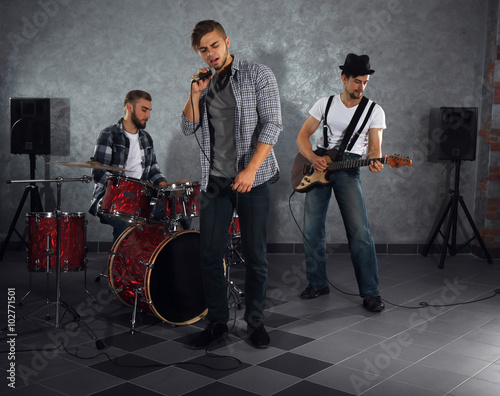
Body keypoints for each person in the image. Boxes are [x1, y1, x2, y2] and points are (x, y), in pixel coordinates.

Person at [181, 20, 282, 348]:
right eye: (203, 49)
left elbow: (273, 124)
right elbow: (187, 127)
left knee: (255, 254)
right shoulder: (204, 82)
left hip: (253, 178)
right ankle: (217, 323)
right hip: (215, 181)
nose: (210, 53)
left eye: (214, 45)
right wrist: (195, 94)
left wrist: (251, 169)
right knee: (210, 253)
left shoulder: (257, 74)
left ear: (227, 41)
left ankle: (255, 321)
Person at [296, 53, 386, 312]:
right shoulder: (324, 104)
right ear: (344, 78)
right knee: (312, 230)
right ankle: (317, 283)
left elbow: (375, 148)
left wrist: (375, 160)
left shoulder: (373, 110)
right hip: (319, 167)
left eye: (365, 82)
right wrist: (313, 157)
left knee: (360, 233)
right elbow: (302, 136)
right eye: (357, 81)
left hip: (348, 169)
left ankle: (370, 293)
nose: (361, 87)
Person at [89, 90, 168, 241]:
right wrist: (124, 189)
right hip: (110, 200)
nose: (148, 116)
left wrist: (165, 187)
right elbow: (99, 172)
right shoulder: (109, 134)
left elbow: (152, 169)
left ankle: (152, 260)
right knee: (126, 221)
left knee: (172, 214)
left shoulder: (146, 138)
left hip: (141, 199)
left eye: (149, 111)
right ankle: (120, 263)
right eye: (144, 110)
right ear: (129, 107)